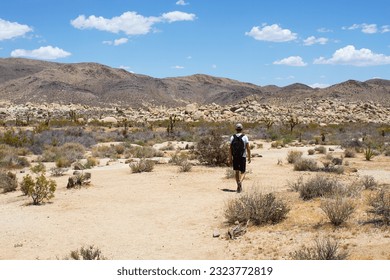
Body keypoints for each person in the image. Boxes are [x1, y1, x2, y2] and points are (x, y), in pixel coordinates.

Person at [229, 123, 251, 193]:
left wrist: (230, 158)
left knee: (236, 171)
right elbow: (248, 148)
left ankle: (238, 184)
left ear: (236, 129)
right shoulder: (245, 137)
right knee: (243, 171)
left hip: (235, 156)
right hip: (242, 156)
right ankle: (240, 182)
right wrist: (249, 157)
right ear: (242, 129)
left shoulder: (232, 137)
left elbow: (230, 149)